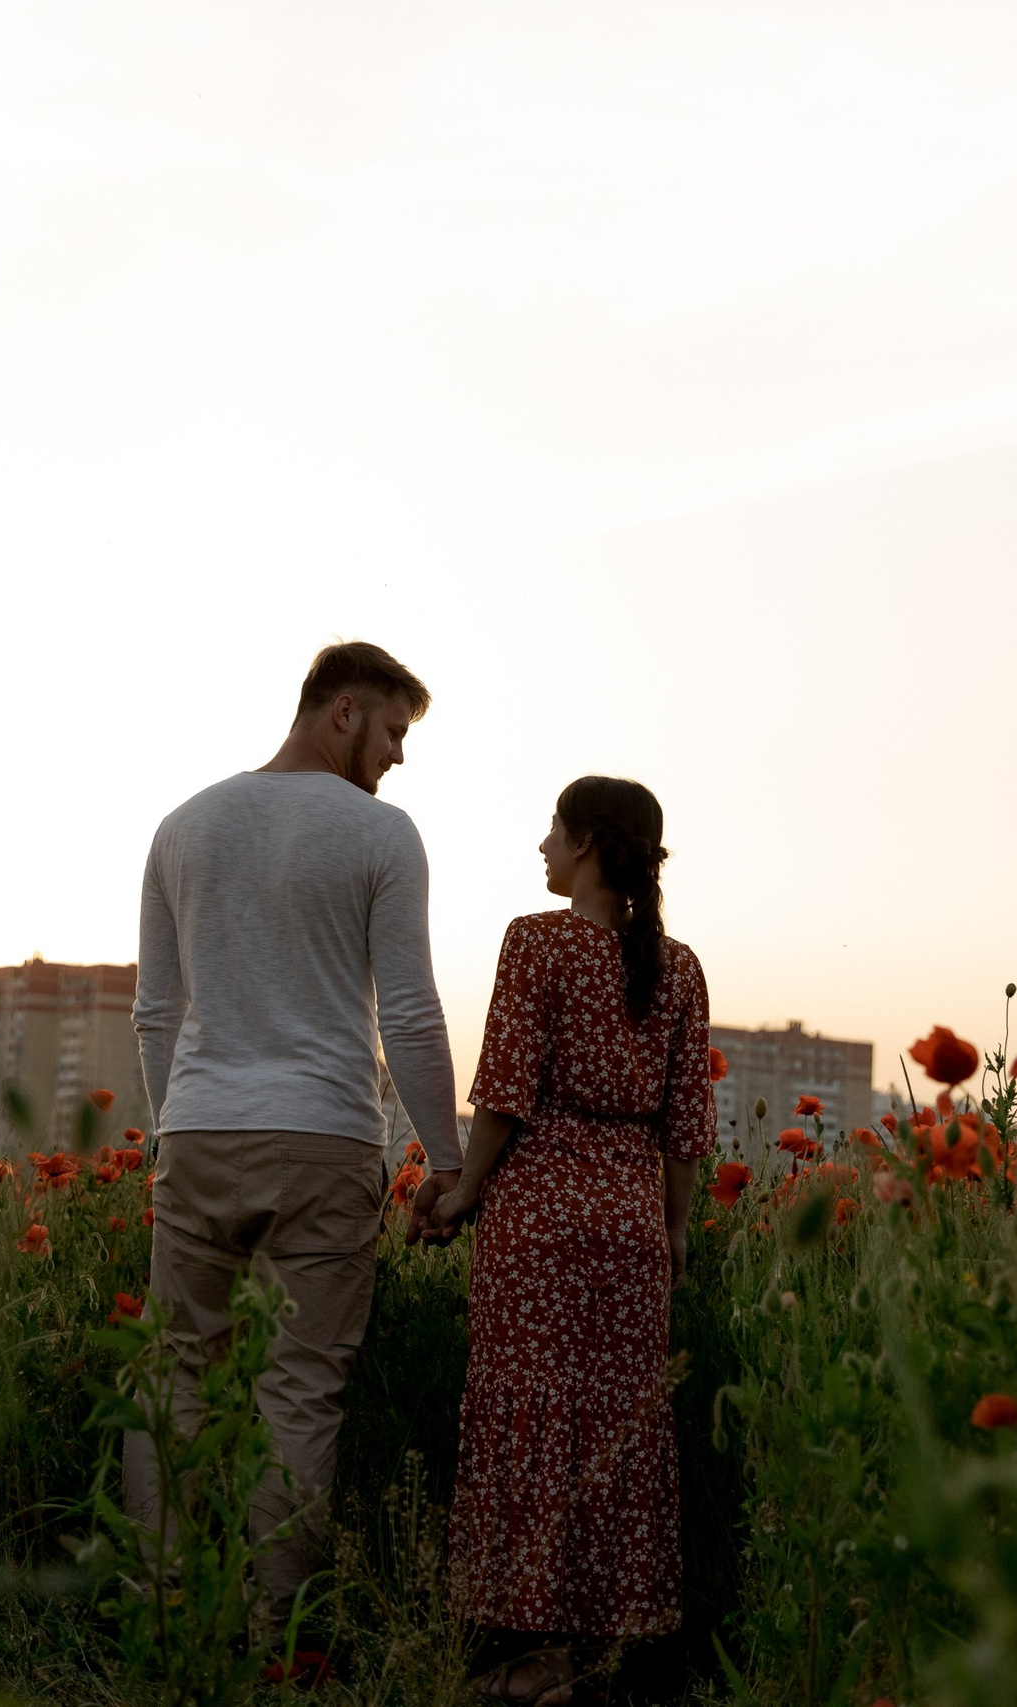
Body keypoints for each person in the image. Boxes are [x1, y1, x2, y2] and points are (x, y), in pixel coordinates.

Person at [128, 641, 465, 1611]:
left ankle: (161, 1609)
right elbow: (409, 1015)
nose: (398, 755)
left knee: (174, 1376)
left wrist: (174, 1129)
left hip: (197, 1134)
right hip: (323, 1140)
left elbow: (156, 1013)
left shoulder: (182, 826)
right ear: (343, 711)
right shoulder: (382, 834)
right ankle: (274, 1630)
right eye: (393, 730)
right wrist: (447, 1162)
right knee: (300, 1389)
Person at [427, 776, 715, 1703]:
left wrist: (465, 1188)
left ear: (586, 841)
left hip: (540, 1219)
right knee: (614, 1422)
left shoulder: (536, 941)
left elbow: (505, 1089)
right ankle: (596, 1652)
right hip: (631, 1222)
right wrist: (673, 1230)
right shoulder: (680, 967)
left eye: (552, 831)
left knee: (533, 1414)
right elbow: (686, 1124)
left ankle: (538, 1648)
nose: (543, 846)